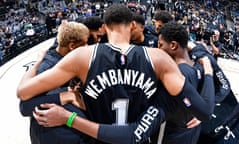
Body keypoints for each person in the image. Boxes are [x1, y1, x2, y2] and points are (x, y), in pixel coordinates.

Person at [17, 4, 215, 144]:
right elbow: (204, 112)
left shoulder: (81, 56)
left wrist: (38, 62)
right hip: (137, 136)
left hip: (94, 136)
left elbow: (23, 94)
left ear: (104, 28)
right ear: (131, 26)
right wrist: (207, 72)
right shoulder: (159, 59)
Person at [19, 21, 91, 144]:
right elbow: (25, 106)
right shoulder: (47, 67)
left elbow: (60, 41)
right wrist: (65, 95)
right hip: (50, 135)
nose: (87, 47)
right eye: (84, 43)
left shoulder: (62, 53)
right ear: (72, 46)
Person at [157, 22, 213, 144]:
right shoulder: (198, 65)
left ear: (173, 45)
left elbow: (206, 111)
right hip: (191, 133)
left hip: (173, 135)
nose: (158, 49)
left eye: (160, 44)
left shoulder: (177, 73)